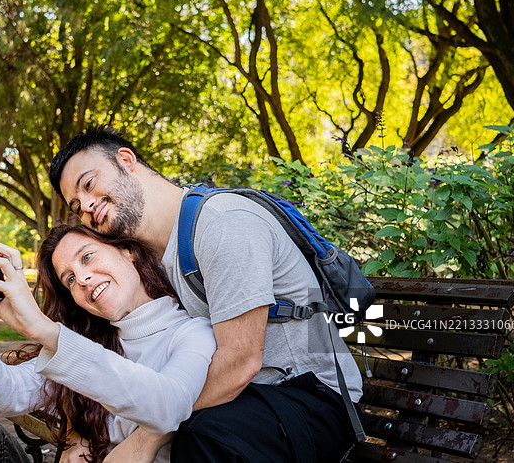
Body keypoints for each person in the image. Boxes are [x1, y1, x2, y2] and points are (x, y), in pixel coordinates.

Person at [48, 125, 364, 462]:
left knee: (199, 434)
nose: (88, 206)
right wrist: (78, 431)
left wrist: (147, 437)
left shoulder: (222, 223)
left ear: (126, 160)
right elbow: (114, 351)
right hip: (248, 400)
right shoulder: (147, 254)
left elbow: (240, 362)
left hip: (313, 400)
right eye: (77, 205)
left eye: (89, 184)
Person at [0, 225, 216, 462]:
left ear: (128, 253)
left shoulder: (192, 333)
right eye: (69, 279)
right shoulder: (87, 342)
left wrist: (46, 331)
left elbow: (169, 405)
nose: (82, 278)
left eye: (87, 257)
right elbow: (4, 394)